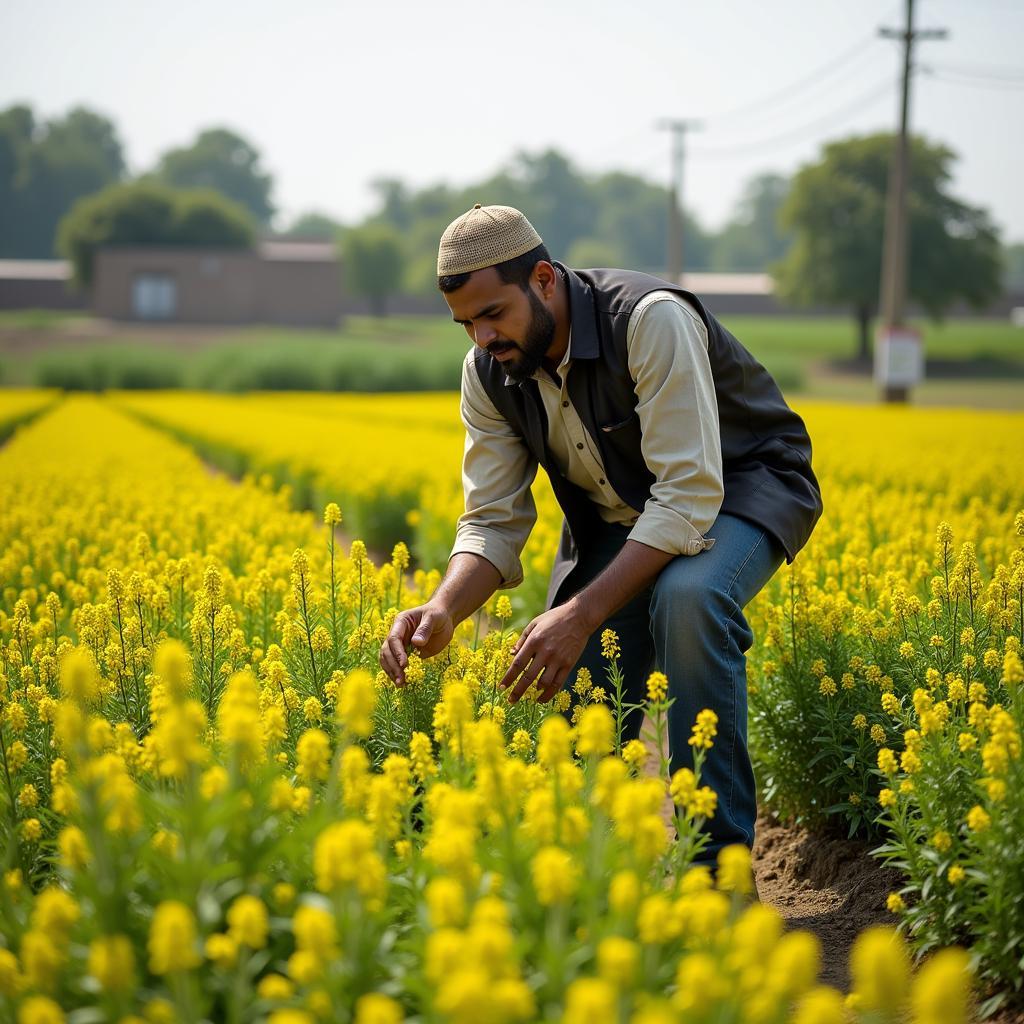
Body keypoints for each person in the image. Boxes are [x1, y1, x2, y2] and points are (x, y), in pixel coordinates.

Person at [380, 204, 822, 863]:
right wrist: (443, 607)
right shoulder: (487, 374)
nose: (481, 336)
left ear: (544, 280)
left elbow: (688, 494)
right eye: (466, 323)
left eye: (493, 313)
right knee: (574, 708)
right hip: (628, 518)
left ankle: (719, 870)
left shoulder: (647, 320)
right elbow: (493, 519)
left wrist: (582, 611)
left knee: (690, 598)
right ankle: (588, 875)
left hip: (741, 489)